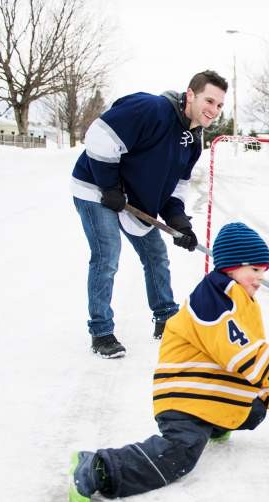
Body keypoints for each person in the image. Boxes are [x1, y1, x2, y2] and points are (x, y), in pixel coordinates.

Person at [68, 222, 269, 502]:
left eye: (263, 271)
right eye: (254, 270)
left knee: (253, 410)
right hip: (185, 395)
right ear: (231, 266)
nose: (260, 278)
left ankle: (215, 422)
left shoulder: (243, 300)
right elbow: (236, 349)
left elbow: (251, 349)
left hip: (207, 390)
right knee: (179, 454)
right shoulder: (213, 297)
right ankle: (100, 466)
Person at [71, 70, 227, 359]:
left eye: (219, 105)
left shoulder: (193, 140)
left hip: (131, 198)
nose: (214, 110)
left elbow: (177, 186)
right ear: (190, 95)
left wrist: (179, 220)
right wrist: (109, 185)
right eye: (209, 100)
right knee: (107, 255)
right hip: (95, 186)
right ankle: (101, 331)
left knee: (155, 253)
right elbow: (99, 136)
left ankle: (166, 318)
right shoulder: (151, 109)